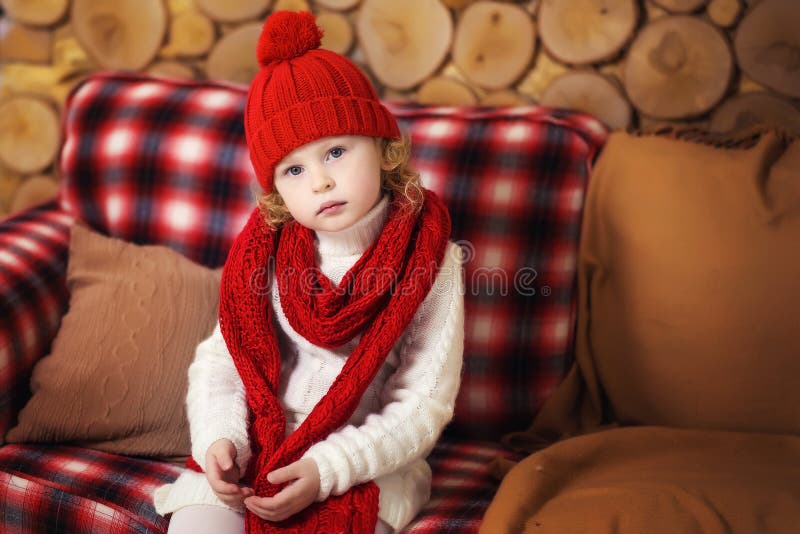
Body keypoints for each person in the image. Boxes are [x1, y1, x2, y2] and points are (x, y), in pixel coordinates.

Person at [152, 10, 465, 534]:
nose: (319, 181)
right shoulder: (265, 254)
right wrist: (220, 441)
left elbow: (422, 402)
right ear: (276, 188)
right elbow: (224, 364)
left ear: (384, 148)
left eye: (336, 152)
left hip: (365, 457)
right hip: (264, 441)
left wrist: (327, 468)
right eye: (294, 169)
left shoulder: (431, 259)